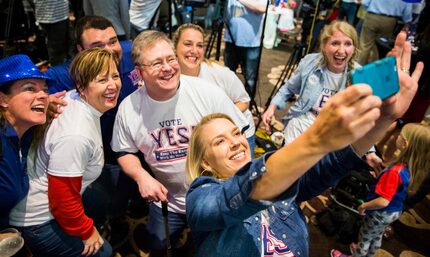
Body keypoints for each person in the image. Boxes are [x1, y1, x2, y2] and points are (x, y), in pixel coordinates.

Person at [185, 30, 424, 257]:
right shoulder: (201, 195)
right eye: (220, 141)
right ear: (205, 161)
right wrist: (319, 137)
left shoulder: (279, 178)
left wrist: (383, 119)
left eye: (237, 133)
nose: (236, 142)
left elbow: (329, 166)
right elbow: (241, 194)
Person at [111, 30, 251, 255]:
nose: (167, 67)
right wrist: (142, 176)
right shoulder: (128, 108)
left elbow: (243, 134)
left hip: (214, 197)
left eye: (170, 59)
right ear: (139, 72)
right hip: (168, 200)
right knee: (157, 246)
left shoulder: (207, 92)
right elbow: (124, 151)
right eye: (157, 63)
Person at [10, 48, 120, 257]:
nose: (112, 85)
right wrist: (86, 231)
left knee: (100, 197)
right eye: (102, 79)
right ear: (82, 86)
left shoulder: (72, 99)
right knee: (104, 253)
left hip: (46, 205)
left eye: (114, 76)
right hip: (39, 221)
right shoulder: (76, 135)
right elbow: (62, 200)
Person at [44, 15, 139, 227]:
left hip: (130, 146)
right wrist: (41, 100)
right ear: (80, 50)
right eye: (97, 45)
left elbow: (158, 49)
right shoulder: (65, 74)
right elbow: (19, 91)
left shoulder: (129, 53)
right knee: (106, 203)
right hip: (92, 160)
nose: (108, 50)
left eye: (112, 41)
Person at [330, 123, 430, 257]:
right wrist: (382, 177)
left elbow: (383, 201)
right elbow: (397, 187)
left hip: (380, 212)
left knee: (364, 238)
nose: (396, 137)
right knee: (376, 235)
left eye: (400, 136)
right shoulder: (411, 167)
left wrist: (364, 206)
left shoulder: (394, 172)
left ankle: (358, 254)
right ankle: (371, 253)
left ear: (405, 144)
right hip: (395, 211)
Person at [262, 20, 359, 145]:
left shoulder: (358, 74)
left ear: (354, 48)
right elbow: (289, 88)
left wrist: (370, 151)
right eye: (335, 43)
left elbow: (364, 116)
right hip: (303, 121)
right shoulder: (310, 62)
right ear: (324, 46)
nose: (341, 50)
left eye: (347, 44)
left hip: (333, 131)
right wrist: (272, 107)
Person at [173, 23, 256, 157]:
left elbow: (244, 101)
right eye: (188, 44)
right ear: (175, 47)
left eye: (200, 45)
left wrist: (219, 120)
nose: (194, 50)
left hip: (239, 131)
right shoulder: (171, 78)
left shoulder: (219, 73)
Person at [0, 55, 51, 228]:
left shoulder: (24, 135)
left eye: (45, 89)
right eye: (30, 88)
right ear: (3, 100)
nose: (43, 95)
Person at [224, 0, 268, 98]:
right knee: (228, 74)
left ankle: (247, 104)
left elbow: (262, 8)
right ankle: (227, 101)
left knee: (250, 78)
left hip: (251, 42)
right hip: (231, 39)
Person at [357, 0, 412, 65]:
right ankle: (375, 69)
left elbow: (365, 3)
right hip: (389, 21)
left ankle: (358, 68)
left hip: (372, 17)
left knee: (365, 45)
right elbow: (407, 14)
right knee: (381, 47)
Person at [34, 0, 70, 65]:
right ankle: (58, 71)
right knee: (57, 52)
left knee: (55, 48)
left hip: (48, 13)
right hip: (55, 16)